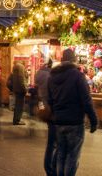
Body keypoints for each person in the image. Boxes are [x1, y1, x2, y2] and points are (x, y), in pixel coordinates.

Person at [48, 48, 97, 176]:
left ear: (62, 60)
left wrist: (54, 114)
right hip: (75, 122)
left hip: (59, 121)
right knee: (72, 156)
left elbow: (49, 99)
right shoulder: (77, 76)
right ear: (74, 60)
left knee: (61, 154)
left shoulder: (52, 76)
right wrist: (93, 120)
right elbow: (86, 99)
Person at [36, 58, 55, 176]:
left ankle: (49, 168)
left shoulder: (40, 74)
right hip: (53, 111)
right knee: (54, 143)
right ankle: (50, 168)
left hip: (47, 107)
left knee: (51, 142)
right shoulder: (50, 76)